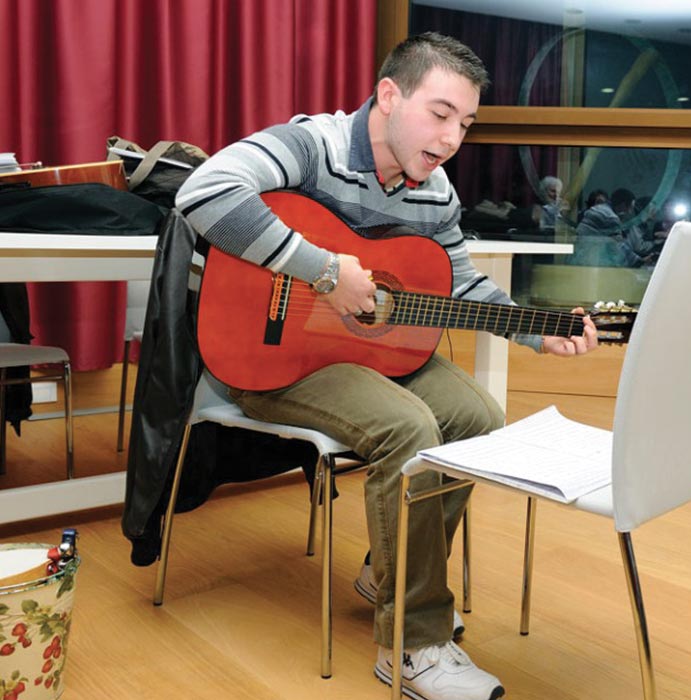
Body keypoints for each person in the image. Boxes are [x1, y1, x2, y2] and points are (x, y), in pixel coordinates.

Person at [176, 32, 597, 700]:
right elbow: (203, 191)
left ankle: (388, 572)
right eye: (440, 113)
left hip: (361, 354)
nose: (453, 136)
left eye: (465, 123)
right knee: (409, 429)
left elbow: (458, 286)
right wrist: (319, 270)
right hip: (267, 356)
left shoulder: (437, 192)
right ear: (388, 95)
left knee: (480, 417)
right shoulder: (310, 144)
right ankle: (413, 645)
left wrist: (537, 333)